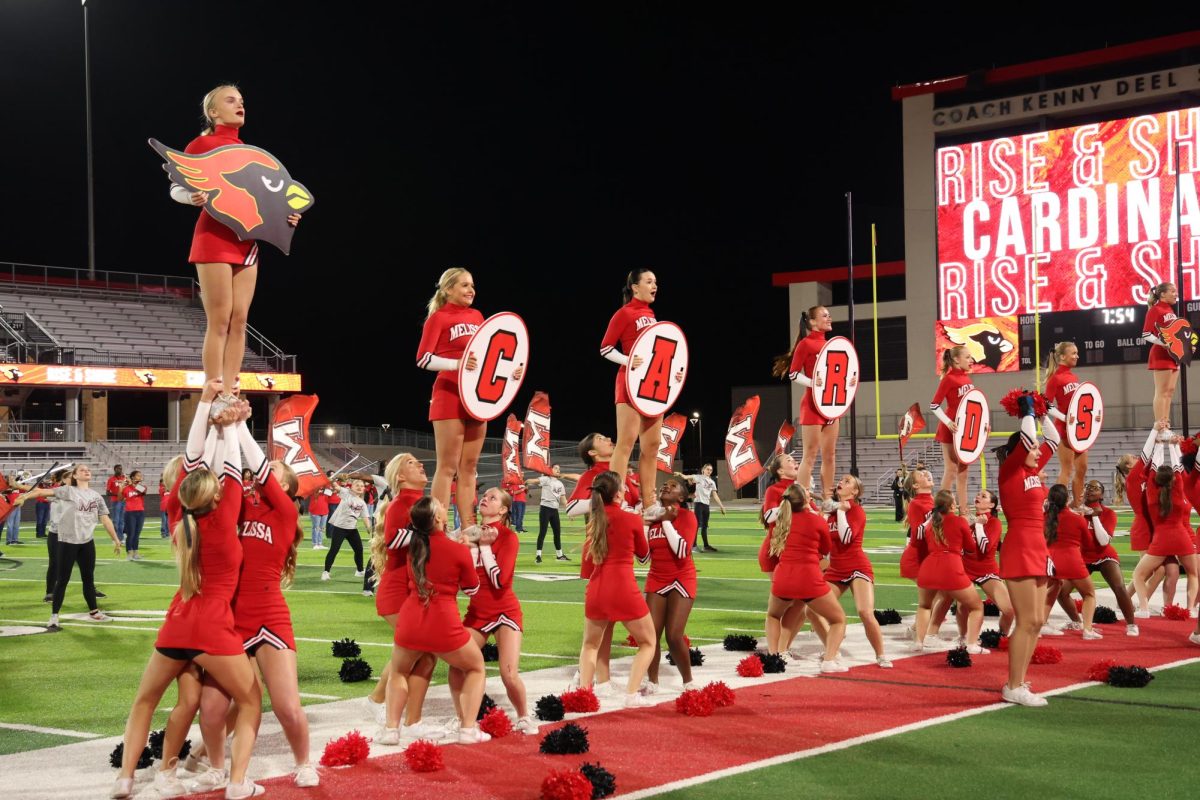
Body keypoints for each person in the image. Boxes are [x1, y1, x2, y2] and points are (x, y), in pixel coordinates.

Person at [111, 380, 265, 800]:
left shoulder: (181, 519)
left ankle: (126, 779)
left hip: (176, 625)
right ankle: (237, 782)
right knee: (251, 701)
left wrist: (208, 408)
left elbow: (200, 462)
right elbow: (231, 463)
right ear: (215, 495)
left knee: (147, 702)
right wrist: (232, 424)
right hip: (214, 629)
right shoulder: (225, 513)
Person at [191, 418, 318, 790]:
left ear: (285, 487)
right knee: (215, 708)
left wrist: (240, 425)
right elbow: (216, 472)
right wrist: (222, 427)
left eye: (275, 471)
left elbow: (259, 468)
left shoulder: (285, 512)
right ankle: (215, 765)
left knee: (286, 705)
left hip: (269, 615)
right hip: (229, 617)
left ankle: (304, 762)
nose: (263, 472)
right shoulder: (238, 506)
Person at [168, 84, 301, 416]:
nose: (240, 104)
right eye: (231, 100)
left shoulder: (248, 150)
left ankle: (231, 387)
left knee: (240, 320)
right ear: (213, 112)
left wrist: (286, 216)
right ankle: (214, 390)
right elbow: (175, 187)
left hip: (247, 240)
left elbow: (266, 197)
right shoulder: (201, 145)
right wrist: (191, 197)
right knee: (221, 320)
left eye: (242, 100)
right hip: (214, 236)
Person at [379, 497, 491, 746]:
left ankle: (391, 730)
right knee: (475, 667)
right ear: (439, 519)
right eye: (440, 506)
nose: (443, 505)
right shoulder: (457, 550)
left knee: (398, 671)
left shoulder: (414, 546)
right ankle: (468, 729)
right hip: (443, 623)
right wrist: (470, 550)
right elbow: (472, 589)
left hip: (410, 621)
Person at [417, 269, 522, 529]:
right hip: (449, 393)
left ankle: (467, 526)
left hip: (477, 397)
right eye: (464, 285)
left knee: (470, 467)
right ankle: (437, 526)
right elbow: (423, 358)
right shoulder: (438, 318)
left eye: (473, 285)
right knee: (448, 466)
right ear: (448, 289)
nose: (471, 289)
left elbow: (488, 357)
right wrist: (457, 364)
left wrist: (509, 372)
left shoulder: (477, 316)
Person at [363, 454, 441, 739]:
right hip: (397, 592)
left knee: (421, 654)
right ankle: (394, 712)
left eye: (419, 461)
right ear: (399, 477)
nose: (420, 464)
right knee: (420, 651)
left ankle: (397, 712)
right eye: (411, 463)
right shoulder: (402, 503)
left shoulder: (417, 502)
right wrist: (431, 530)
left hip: (411, 590)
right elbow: (394, 539)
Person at [451, 488, 538, 734]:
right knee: (457, 664)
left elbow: (500, 582)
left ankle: (523, 716)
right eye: (485, 496)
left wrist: (485, 548)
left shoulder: (509, 537)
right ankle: (462, 719)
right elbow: (467, 586)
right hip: (477, 611)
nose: (485, 499)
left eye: (493, 498)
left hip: (505, 611)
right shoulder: (468, 535)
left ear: (502, 510)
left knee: (508, 674)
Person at [996, 395, 1062, 707]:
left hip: (1039, 547)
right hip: (1020, 546)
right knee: (1026, 620)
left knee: (1036, 621)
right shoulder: (1010, 471)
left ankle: (1020, 680)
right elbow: (1028, 438)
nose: (1038, 451)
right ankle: (1013, 685)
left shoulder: (1032, 471)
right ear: (1019, 450)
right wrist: (1027, 411)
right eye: (1032, 449)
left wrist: (1046, 412)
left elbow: (1054, 438)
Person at [600, 269, 683, 509]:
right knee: (625, 442)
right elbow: (605, 348)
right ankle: (616, 498)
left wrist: (673, 372)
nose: (654, 285)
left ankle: (649, 503)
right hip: (629, 383)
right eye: (649, 281)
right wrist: (628, 360)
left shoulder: (652, 314)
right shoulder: (624, 313)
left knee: (653, 446)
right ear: (635, 287)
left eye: (656, 281)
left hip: (654, 388)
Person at [577, 472, 656, 707]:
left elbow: (589, 562)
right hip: (623, 587)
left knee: (590, 646)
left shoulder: (595, 519)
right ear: (619, 493)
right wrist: (643, 527)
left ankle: (584, 694)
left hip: (597, 587)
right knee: (648, 642)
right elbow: (644, 557)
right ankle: (631, 695)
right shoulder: (630, 519)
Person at [17, 464, 121, 626]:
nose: (87, 471)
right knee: (63, 579)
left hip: (87, 542)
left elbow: (105, 518)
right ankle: (54, 616)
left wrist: (115, 539)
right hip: (68, 541)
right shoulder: (68, 490)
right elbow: (41, 492)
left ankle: (94, 611)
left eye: (88, 470)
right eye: (82, 470)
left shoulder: (96, 496)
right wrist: (24, 497)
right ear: (75, 476)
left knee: (88, 579)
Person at [773, 305, 854, 505]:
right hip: (812, 405)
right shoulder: (806, 344)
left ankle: (827, 499)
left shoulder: (833, 344)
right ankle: (801, 499)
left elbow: (840, 374)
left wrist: (848, 382)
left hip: (831, 406)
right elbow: (793, 373)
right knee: (810, 455)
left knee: (830, 455)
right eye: (824, 316)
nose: (829, 318)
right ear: (812, 322)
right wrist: (812, 383)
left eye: (829, 315)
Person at [766, 484, 847, 670]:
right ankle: (829, 660)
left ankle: (773, 657)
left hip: (783, 577)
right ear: (804, 500)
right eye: (807, 492)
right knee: (838, 619)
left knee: (773, 615)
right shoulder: (816, 520)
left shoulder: (782, 518)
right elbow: (826, 549)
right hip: (809, 578)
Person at [1132, 424, 1200, 616]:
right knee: (1193, 574)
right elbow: (1178, 467)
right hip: (1182, 537)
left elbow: (1155, 466)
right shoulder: (1179, 489)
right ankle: (1191, 609)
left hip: (1160, 540)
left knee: (1139, 575)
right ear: (1173, 480)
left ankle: (1144, 608)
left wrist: (1160, 442)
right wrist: (1171, 444)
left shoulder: (1152, 494)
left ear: (1156, 481)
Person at [823, 474, 890, 667]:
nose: (841, 482)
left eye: (847, 481)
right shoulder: (832, 511)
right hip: (835, 568)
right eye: (841, 480)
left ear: (855, 491)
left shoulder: (857, 511)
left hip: (857, 566)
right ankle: (831, 650)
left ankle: (881, 655)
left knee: (865, 612)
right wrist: (827, 511)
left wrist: (842, 511)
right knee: (814, 610)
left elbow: (845, 538)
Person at [912, 490, 988, 654]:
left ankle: (919, 641)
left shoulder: (931, 522)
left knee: (924, 606)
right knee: (976, 607)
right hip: (951, 567)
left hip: (929, 566)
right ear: (952, 505)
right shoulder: (960, 521)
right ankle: (972, 644)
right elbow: (971, 548)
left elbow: (918, 538)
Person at [642, 479, 700, 692]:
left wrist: (667, 521)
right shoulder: (655, 518)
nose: (666, 486)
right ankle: (652, 681)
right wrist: (644, 527)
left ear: (681, 498)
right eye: (665, 484)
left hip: (681, 579)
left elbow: (682, 551)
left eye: (673, 486)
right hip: (656, 578)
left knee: (674, 636)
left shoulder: (687, 517)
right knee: (651, 635)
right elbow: (642, 558)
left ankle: (688, 681)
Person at [1071, 479, 1139, 636]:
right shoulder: (1076, 511)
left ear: (1101, 494)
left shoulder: (1108, 513)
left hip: (1104, 555)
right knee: (1061, 589)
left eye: (1095, 488)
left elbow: (1103, 541)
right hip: (1082, 557)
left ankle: (1131, 624)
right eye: (1087, 486)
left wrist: (1095, 516)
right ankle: (1076, 621)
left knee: (1119, 587)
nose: (1089, 489)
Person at [1042, 485, 1103, 639]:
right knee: (1089, 594)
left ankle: (1042, 623)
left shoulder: (1044, 517)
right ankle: (1088, 630)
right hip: (1072, 560)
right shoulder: (1077, 519)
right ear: (1067, 500)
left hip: (1049, 560)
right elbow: (1089, 543)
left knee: (1053, 589)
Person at [960, 489, 1015, 636]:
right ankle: (962, 638)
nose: (978, 496)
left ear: (991, 505)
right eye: (978, 494)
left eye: (983, 496)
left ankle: (1001, 636)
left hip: (986, 570)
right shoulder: (967, 520)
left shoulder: (994, 523)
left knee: (1009, 610)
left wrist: (978, 525)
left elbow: (984, 548)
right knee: (961, 605)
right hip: (964, 569)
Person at [929, 345, 975, 512]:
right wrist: (948, 422)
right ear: (956, 359)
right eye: (968, 357)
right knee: (951, 469)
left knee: (963, 472)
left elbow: (973, 407)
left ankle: (963, 510)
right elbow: (934, 405)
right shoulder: (949, 379)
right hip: (951, 428)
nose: (971, 361)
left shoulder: (967, 379)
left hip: (965, 429)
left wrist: (981, 425)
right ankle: (941, 509)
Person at [1044, 341, 1090, 506]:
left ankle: (1077, 504)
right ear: (1062, 356)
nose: (1077, 356)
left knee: (1082, 468)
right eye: (1074, 353)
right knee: (1067, 469)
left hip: (1079, 429)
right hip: (1064, 429)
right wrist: (1064, 418)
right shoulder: (1055, 378)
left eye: (1077, 353)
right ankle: (1058, 505)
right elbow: (1045, 405)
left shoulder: (1073, 377)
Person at [1141, 282, 1180, 423]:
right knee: (1162, 392)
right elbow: (1146, 334)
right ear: (1163, 294)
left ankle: (1166, 422)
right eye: (1173, 291)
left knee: (1169, 393)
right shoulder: (1155, 310)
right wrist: (1164, 343)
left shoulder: (1170, 310)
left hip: (1174, 355)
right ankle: (1160, 424)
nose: (1176, 294)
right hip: (1161, 354)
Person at [321, 477, 371, 580]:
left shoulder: (362, 503)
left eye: (362, 486)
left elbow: (365, 518)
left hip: (352, 529)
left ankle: (359, 570)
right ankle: (326, 572)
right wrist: (333, 479)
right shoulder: (346, 493)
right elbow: (335, 486)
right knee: (334, 549)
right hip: (340, 528)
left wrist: (370, 531)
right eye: (357, 485)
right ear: (351, 486)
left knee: (359, 549)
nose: (360, 487)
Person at [528, 464, 579, 563]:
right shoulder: (546, 479)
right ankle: (538, 555)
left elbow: (563, 500)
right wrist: (525, 481)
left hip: (554, 510)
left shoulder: (560, 484)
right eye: (556, 468)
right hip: (545, 508)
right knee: (543, 532)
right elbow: (534, 481)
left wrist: (570, 512)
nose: (558, 470)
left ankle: (559, 555)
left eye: (559, 469)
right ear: (550, 470)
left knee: (557, 532)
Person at [679, 464, 725, 552]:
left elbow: (715, 495)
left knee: (704, 526)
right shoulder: (699, 477)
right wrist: (680, 474)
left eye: (711, 470)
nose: (709, 471)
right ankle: (693, 546)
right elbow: (686, 477)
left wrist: (721, 506)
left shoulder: (712, 482)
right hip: (699, 504)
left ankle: (706, 546)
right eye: (707, 469)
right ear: (703, 469)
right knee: (696, 525)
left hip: (706, 505)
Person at [122, 470, 148, 561]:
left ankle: (136, 553)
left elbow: (143, 491)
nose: (140, 477)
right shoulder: (126, 488)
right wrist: (121, 487)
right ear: (132, 477)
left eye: (140, 475)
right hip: (130, 513)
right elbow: (119, 498)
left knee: (137, 534)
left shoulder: (142, 487)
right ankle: (129, 553)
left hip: (140, 512)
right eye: (138, 475)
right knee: (131, 534)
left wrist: (132, 484)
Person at [106, 465, 127, 544]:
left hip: (124, 501)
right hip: (115, 501)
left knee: (122, 521)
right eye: (118, 469)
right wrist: (118, 494)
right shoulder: (111, 479)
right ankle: (114, 538)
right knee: (116, 520)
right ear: (114, 469)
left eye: (121, 469)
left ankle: (121, 538)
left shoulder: (124, 479)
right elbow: (107, 492)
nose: (120, 470)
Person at [308, 482, 331, 549]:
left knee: (322, 528)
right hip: (315, 511)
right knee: (316, 528)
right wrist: (319, 489)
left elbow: (330, 494)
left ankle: (320, 543)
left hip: (325, 511)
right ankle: (315, 543)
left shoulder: (327, 489)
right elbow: (315, 495)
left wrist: (327, 486)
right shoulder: (313, 489)